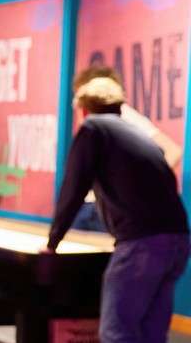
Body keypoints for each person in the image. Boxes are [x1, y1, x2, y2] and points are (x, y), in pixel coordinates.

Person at [47, 76, 189, 343]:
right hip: (176, 239)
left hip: (142, 244)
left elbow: (74, 186)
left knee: (115, 333)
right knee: (150, 333)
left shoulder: (94, 130)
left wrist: (53, 242)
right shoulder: (134, 133)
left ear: (83, 110)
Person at [69, 65, 182, 232]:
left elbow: (173, 151)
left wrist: (135, 186)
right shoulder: (97, 120)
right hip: (94, 206)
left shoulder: (124, 116)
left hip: (107, 210)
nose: (77, 103)